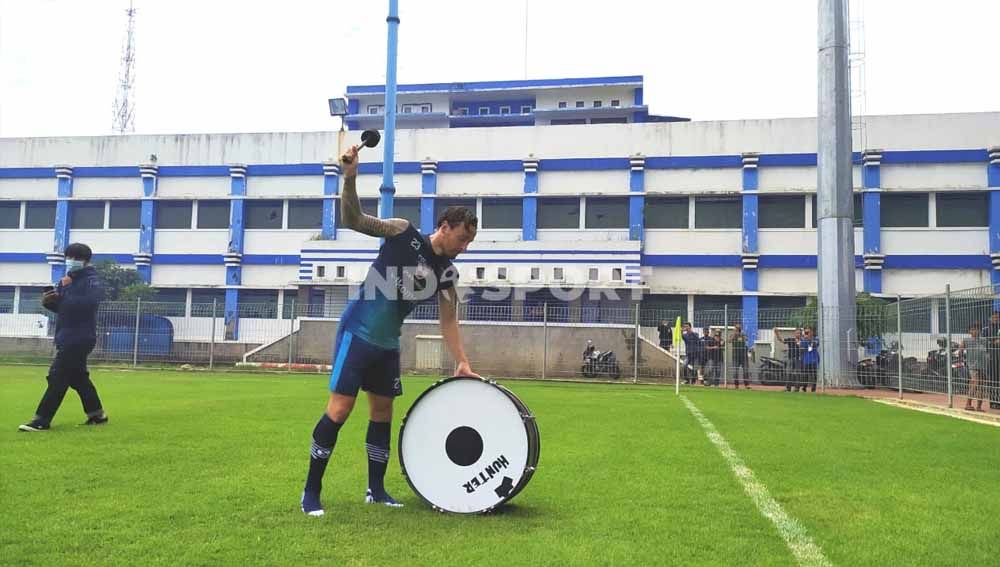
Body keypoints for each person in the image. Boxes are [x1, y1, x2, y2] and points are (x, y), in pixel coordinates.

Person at [301, 145, 479, 516]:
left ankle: (376, 490)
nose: (464, 247)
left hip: (387, 345)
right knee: (339, 410)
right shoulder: (401, 231)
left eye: (468, 243)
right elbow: (354, 220)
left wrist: (462, 361)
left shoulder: (447, 274)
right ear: (444, 227)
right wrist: (349, 179)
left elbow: (449, 321)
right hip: (358, 332)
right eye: (461, 239)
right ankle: (311, 493)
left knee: (382, 414)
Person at [19, 243, 108, 432]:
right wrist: (50, 302)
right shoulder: (66, 281)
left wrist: (66, 294)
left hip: (80, 337)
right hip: (66, 335)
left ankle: (41, 420)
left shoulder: (92, 281)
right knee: (78, 378)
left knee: (57, 377)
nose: (71, 261)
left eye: (75, 258)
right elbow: (63, 309)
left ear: (85, 260)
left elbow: (88, 304)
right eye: (69, 257)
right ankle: (97, 414)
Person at [962, 323, 988, 412]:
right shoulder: (966, 340)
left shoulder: (984, 340)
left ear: (980, 330)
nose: (975, 331)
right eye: (972, 329)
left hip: (983, 365)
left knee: (982, 385)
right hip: (972, 365)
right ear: (969, 331)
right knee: (974, 382)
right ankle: (968, 404)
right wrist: (962, 359)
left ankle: (979, 406)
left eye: (977, 329)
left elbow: (988, 350)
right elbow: (960, 350)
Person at [730, 324, 751, 389]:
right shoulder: (732, 335)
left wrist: (741, 334)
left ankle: (746, 384)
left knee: (745, 371)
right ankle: (736, 385)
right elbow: (730, 340)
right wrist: (735, 334)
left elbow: (746, 339)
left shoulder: (743, 334)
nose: (737, 330)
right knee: (735, 372)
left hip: (743, 356)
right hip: (735, 356)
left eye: (738, 329)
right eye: (736, 329)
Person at [800, 326, 819, 393]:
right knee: (805, 375)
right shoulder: (803, 339)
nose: (807, 333)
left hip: (814, 359)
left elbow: (815, 344)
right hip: (806, 360)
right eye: (806, 332)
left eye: (809, 332)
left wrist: (809, 339)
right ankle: (804, 388)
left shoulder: (816, 338)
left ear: (812, 332)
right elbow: (802, 347)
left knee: (814, 375)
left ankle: (813, 389)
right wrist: (805, 339)